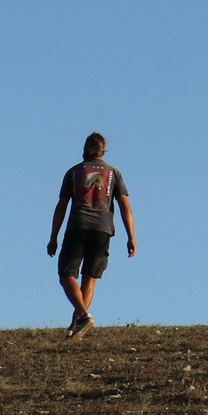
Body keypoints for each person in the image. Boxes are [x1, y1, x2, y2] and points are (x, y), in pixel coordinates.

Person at [45, 132, 135, 338]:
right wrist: (131, 236)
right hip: (103, 229)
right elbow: (125, 206)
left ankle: (83, 317)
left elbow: (61, 206)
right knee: (90, 279)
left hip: (78, 226)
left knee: (66, 274)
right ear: (104, 151)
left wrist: (53, 237)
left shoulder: (73, 172)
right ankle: (76, 325)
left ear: (84, 149)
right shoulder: (114, 173)